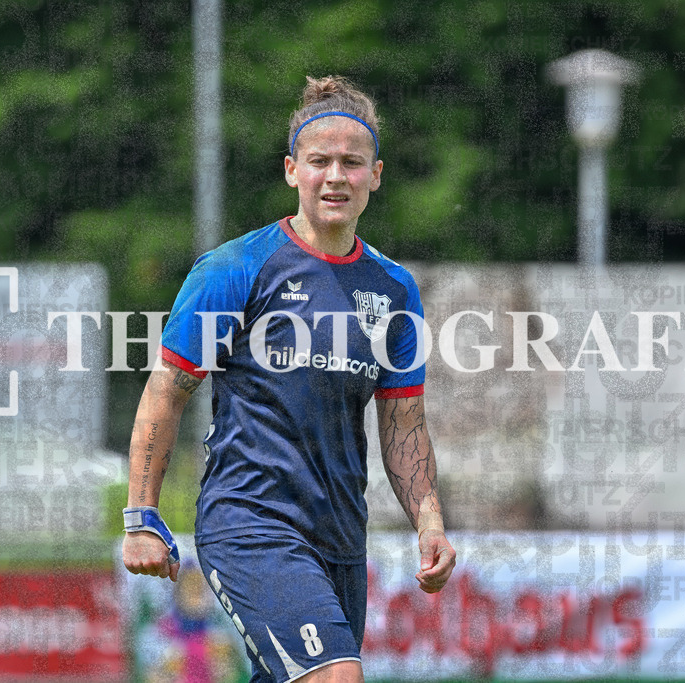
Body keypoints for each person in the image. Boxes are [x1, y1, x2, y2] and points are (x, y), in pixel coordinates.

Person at [123, 75, 456, 683]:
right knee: (335, 677)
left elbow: (404, 423)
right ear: (291, 170)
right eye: (319, 161)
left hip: (339, 538)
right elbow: (165, 393)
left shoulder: (394, 290)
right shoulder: (235, 268)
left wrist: (428, 520)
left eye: (351, 163)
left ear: (375, 175)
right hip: (249, 522)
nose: (335, 176)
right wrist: (141, 514)